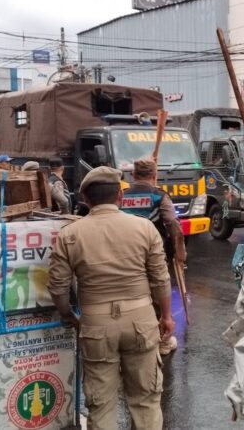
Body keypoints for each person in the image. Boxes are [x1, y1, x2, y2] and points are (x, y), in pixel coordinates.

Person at [48, 165, 174, 430]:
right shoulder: (145, 228)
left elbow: (58, 287)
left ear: (86, 199)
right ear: (120, 197)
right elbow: (160, 278)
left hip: (95, 324)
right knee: (146, 399)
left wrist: (68, 314)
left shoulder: (70, 234)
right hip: (141, 320)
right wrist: (166, 316)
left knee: (101, 402)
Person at [121, 159, 186, 355]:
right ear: (154, 175)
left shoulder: (121, 195)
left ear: (133, 175)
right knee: (158, 296)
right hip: (152, 253)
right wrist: (180, 252)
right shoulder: (159, 196)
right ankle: (162, 342)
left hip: (124, 253)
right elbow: (172, 224)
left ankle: (130, 339)